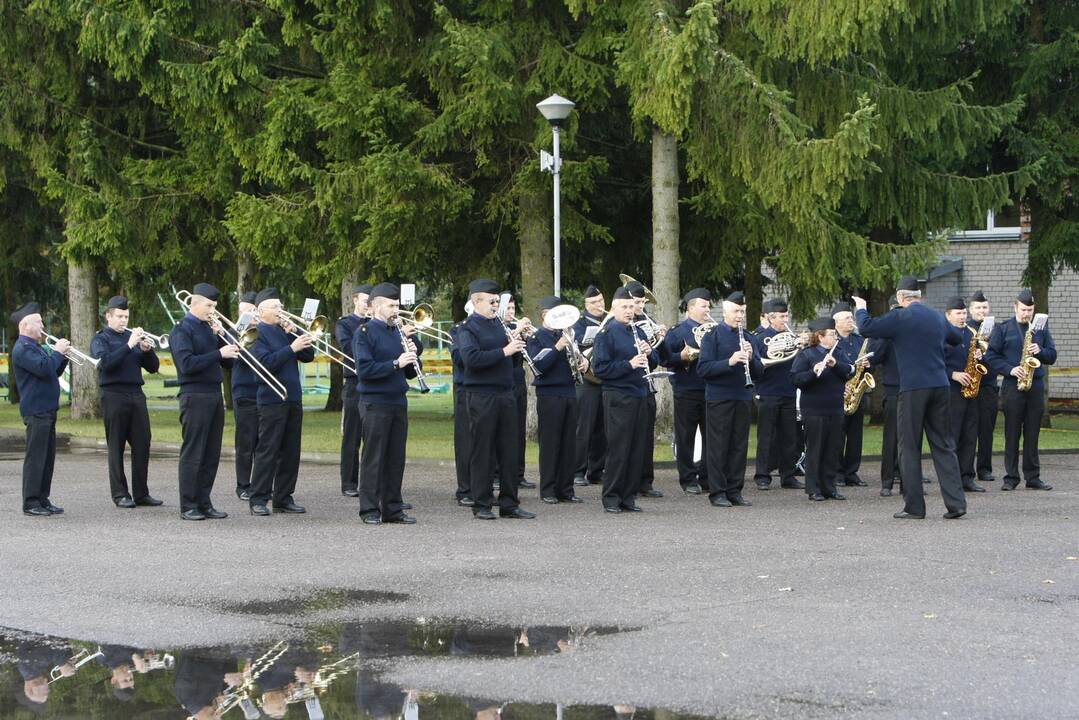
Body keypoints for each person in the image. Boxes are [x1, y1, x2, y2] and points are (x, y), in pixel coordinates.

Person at [852, 277, 967, 520]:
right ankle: (956, 504)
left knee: (909, 446)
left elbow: (866, 328)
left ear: (902, 298)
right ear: (919, 296)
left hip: (913, 388)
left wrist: (861, 308)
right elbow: (957, 338)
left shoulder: (900, 317)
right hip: (941, 385)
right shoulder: (936, 317)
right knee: (944, 445)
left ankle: (914, 506)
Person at [456, 279, 535, 520]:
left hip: (505, 394)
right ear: (476, 301)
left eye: (497, 302)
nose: (495, 306)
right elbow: (471, 359)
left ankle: (509, 503)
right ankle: (481, 503)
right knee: (483, 451)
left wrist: (518, 344)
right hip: (481, 395)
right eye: (491, 302)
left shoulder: (500, 326)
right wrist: (505, 351)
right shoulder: (467, 328)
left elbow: (510, 361)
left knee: (509, 450)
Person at [591, 286, 666, 513]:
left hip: (640, 394)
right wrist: (629, 365)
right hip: (618, 396)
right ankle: (611, 497)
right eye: (624, 307)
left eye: (631, 307)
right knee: (619, 448)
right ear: (613, 308)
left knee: (636, 448)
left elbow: (653, 362)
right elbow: (600, 368)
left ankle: (628, 496)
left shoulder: (638, 331)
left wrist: (650, 353)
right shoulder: (606, 333)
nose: (628, 311)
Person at [170, 283, 240, 521]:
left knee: (211, 452)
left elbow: (229, 363)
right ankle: (188, 505)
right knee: (194, 452)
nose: (213, 310)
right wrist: (218, 353)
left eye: (215, 306)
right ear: (194, 303)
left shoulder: (211, 329)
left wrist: (222, 338)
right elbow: (187, 365)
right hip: (194, 396)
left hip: (213, 394)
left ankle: (204, 501)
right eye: (209, 305)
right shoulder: (182, 330)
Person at [353, 282, 421, 524]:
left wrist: (414, 355)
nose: (396, 310)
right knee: (374, 457)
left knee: (395, 458)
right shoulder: (365, 332)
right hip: (375, 402)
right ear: (377, 306)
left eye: (397, 305)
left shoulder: (398, 332)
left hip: (397, 401)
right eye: (391, 305)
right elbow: (365, 369)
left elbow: (411, 373)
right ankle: (369, 510)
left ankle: (393, 509)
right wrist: (396, 363)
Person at [247, 288, 316, 516]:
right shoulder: (256, 332)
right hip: (271, 399)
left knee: (290, 451)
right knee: (268, 450)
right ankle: (258, 498)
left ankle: (283, 497)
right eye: (275, 307)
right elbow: (263, 365)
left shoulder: (285, 331)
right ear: (261, 310)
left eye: (281, 306)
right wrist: (291, 348)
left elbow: (308, 356)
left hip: (293, 397)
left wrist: (296, 334)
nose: (280, 311)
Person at [91, 295, 162, 508]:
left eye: (126, 316)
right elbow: (106, 364)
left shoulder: (133, 337)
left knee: (143, 443)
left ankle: (141, 493)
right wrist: (130, 346)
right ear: (109, 316)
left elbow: (153, 367)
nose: (124, 321)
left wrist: (148, 351)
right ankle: (120, 494)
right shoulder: (101, 339)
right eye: (120, 316)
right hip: (113, 395)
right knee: (116, 445)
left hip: (136, 395)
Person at [984, 289, 1056, 491]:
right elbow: (991, 357)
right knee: (1012, 433)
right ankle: (1011, 477)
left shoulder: (1040, 329)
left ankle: (1033, 477)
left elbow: (1052, 355)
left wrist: (1039, 351)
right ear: (1015, 307)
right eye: (1024, 310)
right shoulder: (1003, 328)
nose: (1027, 314)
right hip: (1012, 387)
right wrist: (1011, 369)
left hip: (1035, 386)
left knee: (1032, 434)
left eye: (1030, 310)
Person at [696, 291, 763, 508]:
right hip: (719, 398)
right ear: (725, 312)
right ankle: (718, 492)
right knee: (718, 446)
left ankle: (735, 490)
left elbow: (760, 372)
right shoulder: (712, 336)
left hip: (742, 397)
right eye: (736, 311)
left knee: (738, 446)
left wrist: (752, 359)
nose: (740, 315)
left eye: (742, 311)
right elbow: (703, 368)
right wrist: (730, 361)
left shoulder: (750, 337)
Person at [10, 302, 68, 517]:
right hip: (36, 410)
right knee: (36, 458)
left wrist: (62, 357)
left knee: (47, 458)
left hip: (48, 409)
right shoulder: (23, 348)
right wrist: (58, 353)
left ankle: (43, 499)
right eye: (39, 321)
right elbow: (44, 369)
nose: (43, 325)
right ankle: (31, 502)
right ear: (26, 326)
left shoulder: (36, 347)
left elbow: (53, 372)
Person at [528, 295, 586, 504]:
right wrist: (558, 347)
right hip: (549, 394)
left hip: (570, 391)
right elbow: (539, 366)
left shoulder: (568, 334)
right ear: (545, 315)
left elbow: (576, 358)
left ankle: (566, 489)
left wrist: (583, 361)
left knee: (569, 443)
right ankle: (548, 489)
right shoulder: (537, 337)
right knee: (551, 443)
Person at [790, 317, 854, 501]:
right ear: (820, 336)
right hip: (814, 410)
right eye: (832, 334)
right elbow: (795, 379)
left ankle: (829, 487)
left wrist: (835, 365)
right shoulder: (807, 355)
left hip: (834, 408)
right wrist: (813, 372)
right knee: (815, 448)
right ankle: (813, 488)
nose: (835, 337)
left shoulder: (838, 353)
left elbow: (850, 371)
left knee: (832, 449)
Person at [662, 288, 711, 495]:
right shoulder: (677, 332)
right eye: (703, 306)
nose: (707, 310)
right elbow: (664, 359)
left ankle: (708, 477)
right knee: (686, 436)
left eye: (708, 306)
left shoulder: (713, 331)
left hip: (710, 390)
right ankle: (688, 478)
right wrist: (680, 357)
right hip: (686, 389)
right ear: (691, 308)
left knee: (712, 436)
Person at [752, 297, 802, 491]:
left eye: (786, 315)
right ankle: (762, 475)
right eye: (782, 316)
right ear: (771, 318)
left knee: (789, 436)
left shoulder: (791, 336)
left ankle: (788, 475)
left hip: (788, 390)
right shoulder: (760, 337)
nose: (785, 320)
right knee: (767, 436)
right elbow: (758, 363)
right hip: (767, 391)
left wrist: (800, 346)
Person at [625, 280, 667, 498]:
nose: (640, 307)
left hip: (646, 384)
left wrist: (655, 345)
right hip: (626, 386)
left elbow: (658, 359)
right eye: (636, 302)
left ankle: (645, 482)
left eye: (642, 302)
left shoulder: (647, 323)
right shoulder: (619, 325)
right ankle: (628, 482)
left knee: (646, 437)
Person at [943, 296, 986, 493]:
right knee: (953, 436)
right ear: (948, 315)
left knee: (970, 435)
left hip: (971, 390)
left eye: (964, 313)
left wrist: (979, 357)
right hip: (951, 391)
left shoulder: (971, 333)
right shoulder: (941, 334)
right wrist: (953, 374)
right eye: (958, 313)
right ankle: (952, 479)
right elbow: (934, 362)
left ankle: (967, 477)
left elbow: (983, 361)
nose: (962, 317)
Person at [336, 284, 371, 497]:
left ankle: (371, 482)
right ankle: (349, 483)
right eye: (365, 301)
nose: (368, 305)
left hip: (375, 384)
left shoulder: (384, 325)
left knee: (374, 436)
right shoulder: (345, 323)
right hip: (354, 384)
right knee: (352, 435)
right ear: (356, 300)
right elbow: (349, 348)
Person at [572, 284, 607, 487]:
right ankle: (578, 470)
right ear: (586, 304)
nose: (599, 305)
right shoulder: (579, 323)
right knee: (583, 428)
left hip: (604, 379)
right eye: (594, 302)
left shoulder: (608, 321)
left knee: (601, 430)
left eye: (601, 301)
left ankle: (597, 470)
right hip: (587, 381)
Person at [831, 301, 868, 486]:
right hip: (838, 392)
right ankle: (837, 472)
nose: (851, 320)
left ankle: (852, 472)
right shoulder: (831, 340)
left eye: (851, 317)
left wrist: (869, 364)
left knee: (855, 437)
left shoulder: (860, 340)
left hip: (857, 394)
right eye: (847, 318)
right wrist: (841, 384)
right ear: (836, 321)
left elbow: (869, 363)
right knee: (837, 435)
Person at [503, 295, 536, 489]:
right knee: (506, 430)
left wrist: (529, 336)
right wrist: (517, 331)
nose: (511, 312)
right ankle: (500, 474)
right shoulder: (499, 328)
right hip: (504, 381)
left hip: (518, 381)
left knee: (518, 430)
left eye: (513, 308)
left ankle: (518, 473)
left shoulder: (514, 329)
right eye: (507, 308)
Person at [966, 290, 999, 482]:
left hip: (988, 385)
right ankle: (966, 468)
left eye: (985, 307)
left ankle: (985, 468)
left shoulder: (997, 330)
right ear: (971, 310)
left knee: (987, 429)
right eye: (978, 307)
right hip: (970, 384)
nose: (982, 311)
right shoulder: (966, 329)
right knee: (969, 429)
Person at [231, 291, 260, 500]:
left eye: (250, 311)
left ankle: (261, 483)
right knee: (245, 442)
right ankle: (243, 485)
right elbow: (232, 358)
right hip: (244, 390)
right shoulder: (233, 331)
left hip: (264, 392)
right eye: (242, 312)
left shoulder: (266, 330)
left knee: (264, 442)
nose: (246, 315)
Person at [873, 300, 902, 497]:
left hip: (912, 388)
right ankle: (887, 482)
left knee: (910, 437)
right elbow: (876, 356)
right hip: (893, 388)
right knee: (891, 437)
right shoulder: (887, 335)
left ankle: (908, 481)